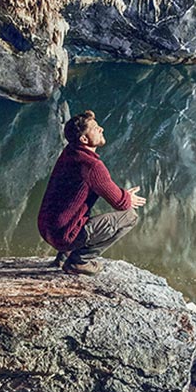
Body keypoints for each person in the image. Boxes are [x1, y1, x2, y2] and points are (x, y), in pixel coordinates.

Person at [37, 110, 146, 275]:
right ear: (84, 139)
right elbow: (121, 204)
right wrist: (127, 197)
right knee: (130, 217)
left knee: (80, 204)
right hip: (63, 235)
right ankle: (78, 262)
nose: (101, 128)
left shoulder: (70, 152)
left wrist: (122, 195)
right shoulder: (93, 166)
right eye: (95, 128)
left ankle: (64, 256)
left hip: (47, 229)